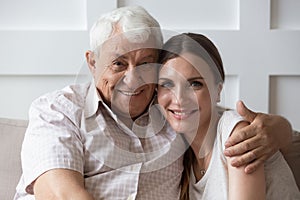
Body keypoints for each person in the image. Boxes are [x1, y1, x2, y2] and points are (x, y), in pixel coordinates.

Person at [14, 6, 293, 200]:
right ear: (92, 62)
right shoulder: (59, 111)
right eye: (119, 63)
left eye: (146, 63)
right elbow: (62, 195)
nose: (133, 79)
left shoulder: (174, 114)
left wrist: (279, 128)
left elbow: (227, 123)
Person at [157, 33, 300, 200]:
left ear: (218, 91)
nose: (179, 98)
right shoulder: (180, 157)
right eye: (167, 84)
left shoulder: (235, 133)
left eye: (195, 84)